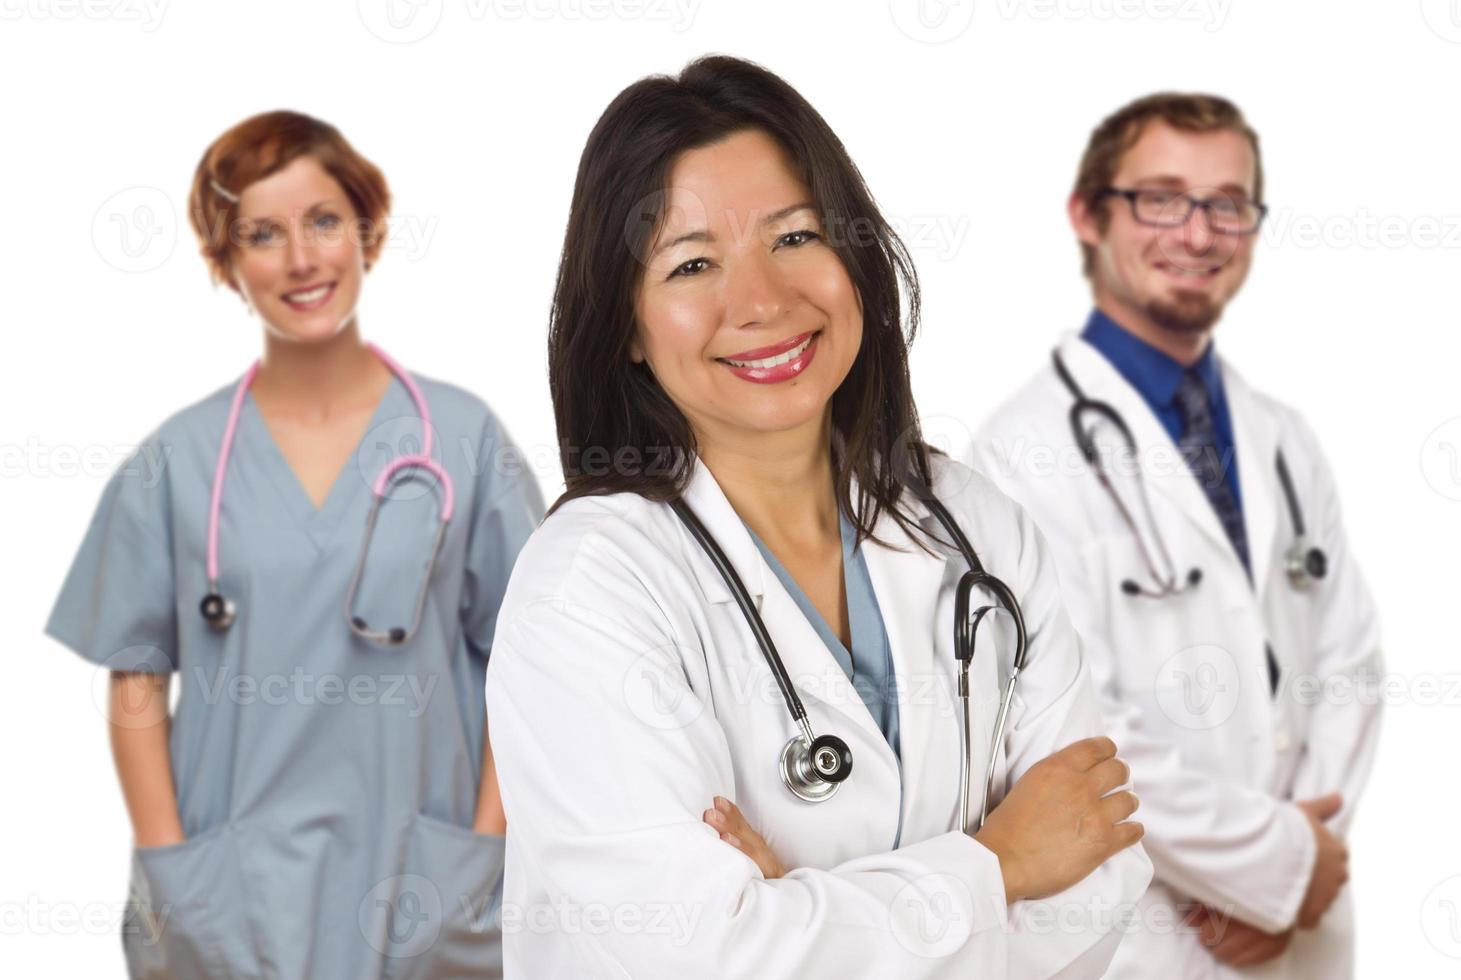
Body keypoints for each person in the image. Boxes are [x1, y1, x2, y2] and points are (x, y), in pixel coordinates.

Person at [484, 56, 1151, 978]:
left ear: (856, 258)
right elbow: (688, 959)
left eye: (794, 238)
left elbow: (1101, 867)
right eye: (692, 263)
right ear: (627, 327)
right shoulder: (589, 589)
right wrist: (1001, 863)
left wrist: (800, 912)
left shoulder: (970, 525)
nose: (760, 301)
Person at [44, 110, 543, 979]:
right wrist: (174, 874)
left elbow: (529, 663)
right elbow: (134, 679)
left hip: (421, 882)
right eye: (263, 235)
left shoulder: (463, 440)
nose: (302, 259)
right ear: (225, 262)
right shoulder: (175, 460)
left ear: (365, 227)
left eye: (322, 221)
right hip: (231, 893)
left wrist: (480, 853)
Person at [970, 93, 1383, 977]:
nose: (1196, 234)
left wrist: (1309, 860)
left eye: (1226, 204)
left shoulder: (1283, 437)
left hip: (1301, 936)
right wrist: (1267, 871)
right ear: (1087, 213)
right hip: (1152, 932)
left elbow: (1347, 663)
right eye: (1159, 197)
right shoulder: (1016, 455)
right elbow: (1074, 726)